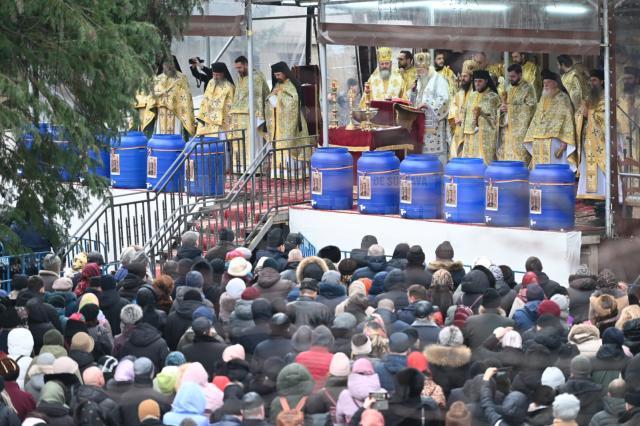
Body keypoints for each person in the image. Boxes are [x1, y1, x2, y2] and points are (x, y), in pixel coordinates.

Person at [524, 70, 577, 170]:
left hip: (555, 141)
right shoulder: (543, 98)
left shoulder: (563, 98)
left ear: (555, 83)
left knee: (554, 170)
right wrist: (531, 136)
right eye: (544, 83)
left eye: (548, 83)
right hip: (539, 140)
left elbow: (568, 120)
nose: (545, 85)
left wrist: (565, 140)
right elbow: (536, 118)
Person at [229, 56, 270, 171]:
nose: (238, 70)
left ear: (246, 65)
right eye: (236, 68)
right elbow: (238, 95)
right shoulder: (240, 77)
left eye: (240, 67)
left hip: (252, 116)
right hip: (239, 115)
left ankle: (255, 168)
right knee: (240, 143)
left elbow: (257, 97)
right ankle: (241, 169)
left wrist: (258, 114)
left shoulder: (256, 77)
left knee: (253, 142)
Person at [265, 61, 311, 164]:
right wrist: (272, 96)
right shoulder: (277, 84)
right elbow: (269, 99)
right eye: (275, 75)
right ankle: (279, 169)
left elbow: (293, 102)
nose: (277, 77)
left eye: (278, 74)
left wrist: (280, 96)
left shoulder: (292, 85)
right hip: (279, 123)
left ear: (285, 72)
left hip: (292, 122)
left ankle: (292, 169)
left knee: (291, 145)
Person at [409, 51, 451, 162]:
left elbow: (445, 100)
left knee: (436, 160)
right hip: (421, 127)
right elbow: (414, 102)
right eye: (417, 70)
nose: (419, 73)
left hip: (434, 127)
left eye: (421, 70)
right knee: (423, 160)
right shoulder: (419, 81)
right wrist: (412, 92)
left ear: (427, 68)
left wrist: (428, 104)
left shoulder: (439, 80)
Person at [143, 56, 195, 136]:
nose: (168, 67)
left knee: (175, 134)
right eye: (166, 64)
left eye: (170, 64)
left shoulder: (181, 78)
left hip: (176, 111)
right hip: (161, 111)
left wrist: (169, 99)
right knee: (161, 134)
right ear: (162, 65)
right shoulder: (158, 79)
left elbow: (185, 96)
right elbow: (153, 95)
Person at [576, 69, 606, 201]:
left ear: (602, 81)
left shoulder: (606, 97)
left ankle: (602, 193)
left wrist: (590, 114)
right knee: (587, 166)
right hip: (587, 139)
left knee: (600, 168)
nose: (591, 83)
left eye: (594, 80)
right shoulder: (589, 98)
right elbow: (578, 114)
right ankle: (589, 194)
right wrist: (581, 115)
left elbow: (604, 116)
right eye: (590, 80)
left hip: (600, 141)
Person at [498, 64, 536, 163]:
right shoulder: (509, 88)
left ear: (520, 74)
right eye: (509, 76)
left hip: (520, 132)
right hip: (507, 130)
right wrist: (501, 108)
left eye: (513, 76)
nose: (511, 79)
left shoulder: (528, 88)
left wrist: (510, 109)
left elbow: (531, 107)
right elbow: (503, 105)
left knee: (519, 158)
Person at [461, 69, 501, 165]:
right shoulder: (472, 95)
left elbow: (496, 118)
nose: (477, 84)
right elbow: (466, 114)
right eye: (475, 81)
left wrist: (482, 114)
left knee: (482, 163)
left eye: (480, 81)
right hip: (469, 135)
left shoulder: (493, 97)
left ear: (486, 81)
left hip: (484, 137)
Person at [196, 62, 235, 136]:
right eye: (214, 74)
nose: (215, 77)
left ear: (223, 74)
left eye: (217, 75)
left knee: (220, 144)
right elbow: (205, 99)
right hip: (208, 120)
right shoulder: (211, 82)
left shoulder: (229, 87)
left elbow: (231, 106)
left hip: (221, 122)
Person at [450, 59, 478, 159]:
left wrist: (465, 119)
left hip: (471, 130)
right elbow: (453, 106)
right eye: (462, 76)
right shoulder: (459, 93)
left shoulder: (476, 93)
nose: (462, 78)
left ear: (472, 77)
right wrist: (455, 117)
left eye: (465, 76)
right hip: (458, 128)